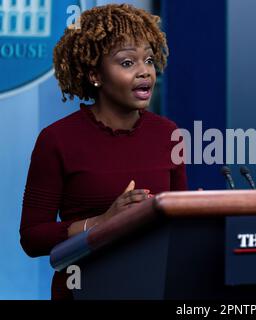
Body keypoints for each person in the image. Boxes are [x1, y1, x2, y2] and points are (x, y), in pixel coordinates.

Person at [19, 4, 187, 300]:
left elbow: (178, 223)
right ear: (95, 74)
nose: (144, 72)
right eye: (127, 63)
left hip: (156, 287)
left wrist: (191, 212)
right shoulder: (57, 140)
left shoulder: (168, 134)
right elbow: (33, 238)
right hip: (85, 289)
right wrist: (101, 222)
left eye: (148, 60)